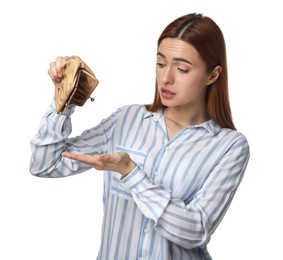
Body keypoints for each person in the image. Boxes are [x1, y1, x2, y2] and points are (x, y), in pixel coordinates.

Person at [30, 13, 250, 260]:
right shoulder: (127, 119)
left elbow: (195, 230)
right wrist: (64, 101)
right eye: (160, 63)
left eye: (182, 68)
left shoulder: (229, 147)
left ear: (213, 75)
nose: (166, 78)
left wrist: (131, 173)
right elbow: (45, 165)